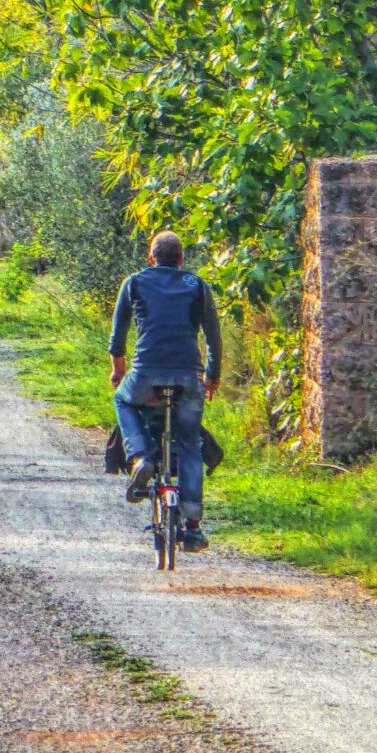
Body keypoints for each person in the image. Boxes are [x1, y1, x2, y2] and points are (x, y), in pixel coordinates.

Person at [108, 230, 222, 553]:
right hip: (188, 377)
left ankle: (141, 456)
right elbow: (213, 338)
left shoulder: (133, 283)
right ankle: (194, 528)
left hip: (145, 374)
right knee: (189, 443)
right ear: (181, 259)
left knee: (122, 399)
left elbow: (117, 340)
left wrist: (119, 370)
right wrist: (212, 377)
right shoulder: (196, 286)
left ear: (150, 257)